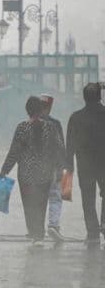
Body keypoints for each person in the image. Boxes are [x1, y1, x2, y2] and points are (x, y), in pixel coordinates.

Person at [0, 96, 66, 245]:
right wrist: (60, 167)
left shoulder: (22, 127)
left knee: (29, 205)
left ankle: (35, 233)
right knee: (41, 204)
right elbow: (59, 149)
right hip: (45, 173)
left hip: (26, 175)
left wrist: (4, 171)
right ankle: (40, 236)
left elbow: (14, 152)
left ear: (27, 110)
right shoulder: (51, 127)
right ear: (41, 109)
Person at [66, 83, 105, 243]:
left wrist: (68, 170)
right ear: (100, 96)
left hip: (85, 166)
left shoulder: (76, 117)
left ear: (84, 97)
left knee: (88, 200)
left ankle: (93, 233)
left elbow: (70, 146)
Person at [38, 94, 68, 242]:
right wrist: (63, 168)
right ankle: (53, 226)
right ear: (50, 107)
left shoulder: (30, 123)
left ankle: (36, 229)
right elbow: (61, 148)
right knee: (55, 197)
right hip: (53, 167)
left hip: (35, 169)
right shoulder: (55, 124)